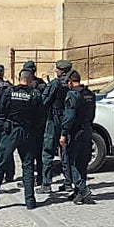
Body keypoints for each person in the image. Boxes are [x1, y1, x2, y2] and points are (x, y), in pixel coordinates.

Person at [0, 69, 44, 210]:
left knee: (0, 164)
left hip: (11, 131)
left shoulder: (10, 92)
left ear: (19, 78)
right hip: (27, 133)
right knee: (28, 166)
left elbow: (0, 111)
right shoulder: (35, 94)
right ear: (30, 80)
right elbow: (41, 117)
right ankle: (30, 201)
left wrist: (1, 130)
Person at [59, 70, 96, 204]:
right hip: (87, 130)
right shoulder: (90, 94)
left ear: (70, 82)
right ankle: (79, 192)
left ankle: (82, 188)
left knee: (71, 162)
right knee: (82, 162)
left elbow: (69, 117)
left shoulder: (72, 95)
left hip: (75, 132)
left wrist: (63, 133)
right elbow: (92, 114)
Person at [39, 59, 72, 192]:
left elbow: (45, 101)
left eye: (57, 68)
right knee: (65, 152)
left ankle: (46, 184)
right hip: (67, 120)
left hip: (54, 120)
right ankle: (68, 182)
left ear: (62, 70)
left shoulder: (55, 83)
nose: (55, 70)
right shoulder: (71, 83)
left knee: (47, 151)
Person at [22, 60, 47, 189]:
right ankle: (38, 178)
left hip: (32, 124)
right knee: (37, 153)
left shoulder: (34, 86)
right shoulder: (41, 85)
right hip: (38, 123)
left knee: (30, 154)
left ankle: (33, 179)